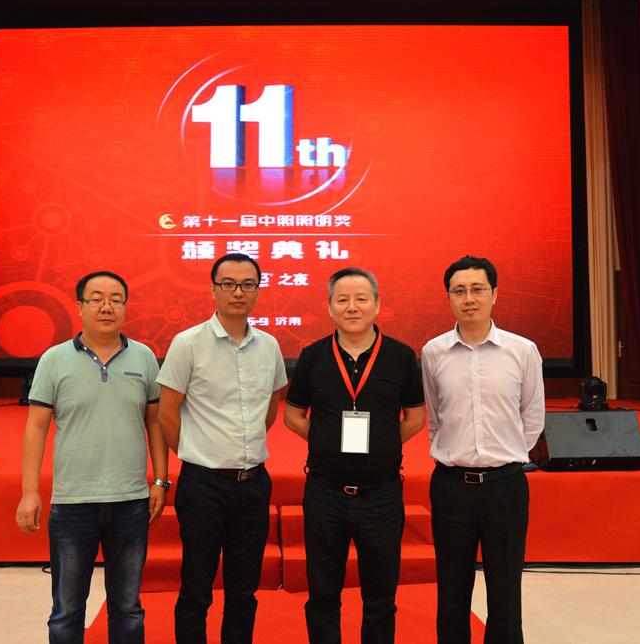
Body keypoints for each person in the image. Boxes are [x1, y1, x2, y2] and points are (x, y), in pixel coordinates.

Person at [16, 271, 169, 644]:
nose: (107, 307)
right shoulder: (54, 359)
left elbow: (155, 423)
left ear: (125, 308)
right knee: (66, 611)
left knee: (128, 608)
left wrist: (160, 480)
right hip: (73, 503)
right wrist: (29, 492)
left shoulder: (144, 357)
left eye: (116, 299)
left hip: (130, 501)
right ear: (80, 306)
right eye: (97, 298)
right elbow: (36, 428)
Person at [284, 267, 426, 643]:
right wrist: (327, 440)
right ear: (329, 307)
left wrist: (382, 442)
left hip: (381, 495)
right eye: (342, 299)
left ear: (377, 305)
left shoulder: (400, 356)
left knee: (380, 597)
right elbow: (293, 416)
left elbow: (415, 418)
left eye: (361, 299)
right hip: (324, 494)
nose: (352, 307)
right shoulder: (313, 356)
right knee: (322, 594)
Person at [157, 252, 288, 644]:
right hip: (203, 486)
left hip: (253, 484)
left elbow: (270, 408)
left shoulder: (269, 345)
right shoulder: (188, 343)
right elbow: (167, 413)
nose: (238, 292)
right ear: (213, 290)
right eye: (228, 284)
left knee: (243, 591)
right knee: (196, 587)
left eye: (247, 285)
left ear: (258, 291)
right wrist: (198, 452)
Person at [421, 255, 545, 644]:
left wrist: (503, 456)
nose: (469, 298)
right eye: (459, 291)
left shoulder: (522, 350)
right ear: (449, 297)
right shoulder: (433, 352)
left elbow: (533, 417)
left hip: (505, 487)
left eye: (477, 289)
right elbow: (436, 417)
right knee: (451, 589)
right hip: (451, 486)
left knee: (505, 590)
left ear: (494, 294)